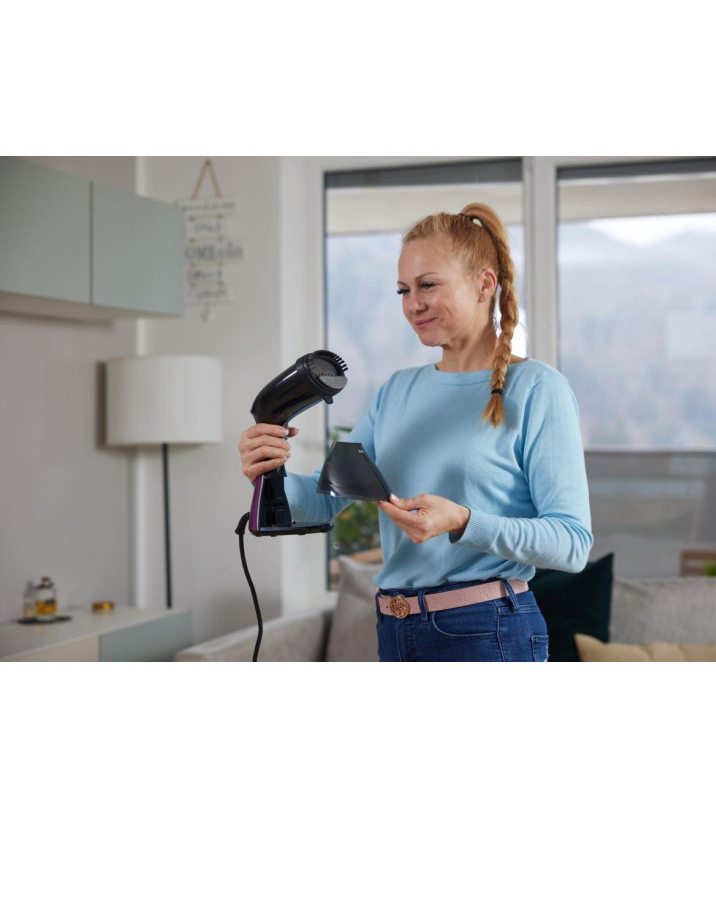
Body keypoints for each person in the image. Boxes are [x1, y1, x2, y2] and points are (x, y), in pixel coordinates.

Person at [239, 203, 593, 661]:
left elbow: (571, 543)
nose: (413, 304)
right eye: (403, 290)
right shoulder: (396, 391)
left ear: (485, 284)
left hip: (488, 631)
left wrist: (463, 521)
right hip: (394, 628)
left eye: (428, 285)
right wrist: (269, 473)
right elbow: (325, 499)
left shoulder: (538, 389)